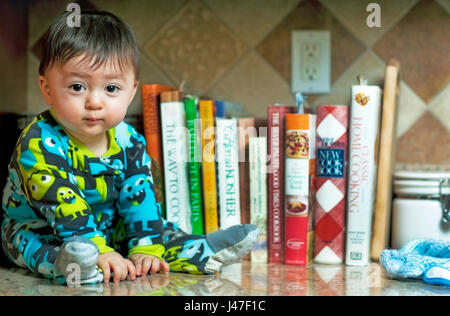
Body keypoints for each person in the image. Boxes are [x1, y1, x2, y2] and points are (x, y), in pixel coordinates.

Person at [0, 10, 258, 285]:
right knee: (30, 244)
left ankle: (200, 249)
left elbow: (140, 197)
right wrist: (97, 250)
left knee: (160, 229)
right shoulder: (39, 140)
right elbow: (63, 205)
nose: (95, 101)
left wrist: (145, 248)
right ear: (47, 88)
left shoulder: (129, 139)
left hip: (109, 230)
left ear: (131, 91)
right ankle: (73, 266)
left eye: (111, 88)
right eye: (77, 86)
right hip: (44, 228)